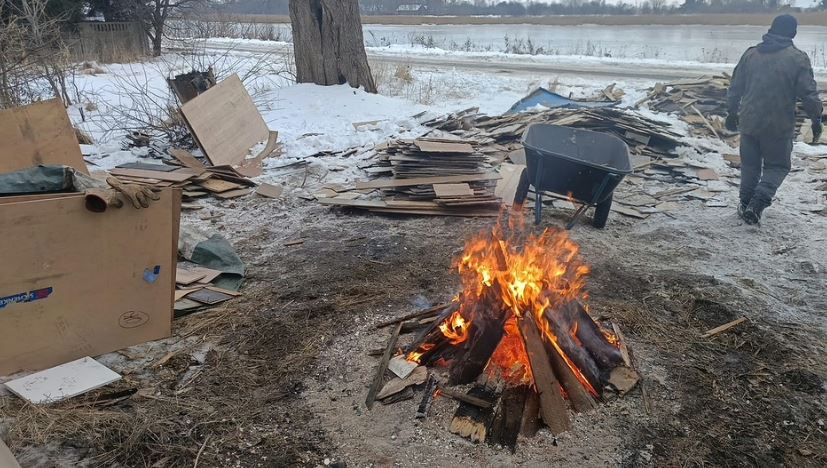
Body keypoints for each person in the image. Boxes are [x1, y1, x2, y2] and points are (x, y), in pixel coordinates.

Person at [726, 14, 822, 225]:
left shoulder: (750, 55)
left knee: (750, 166)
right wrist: (816, 119)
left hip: (749, 122)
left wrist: (731, 113)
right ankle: (758, 203)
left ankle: (745, 203)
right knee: (778, 167)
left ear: (771, 29)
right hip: (778, 126)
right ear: (793, 33)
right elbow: (809, 94)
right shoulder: (797, 58)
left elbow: (735, 88)